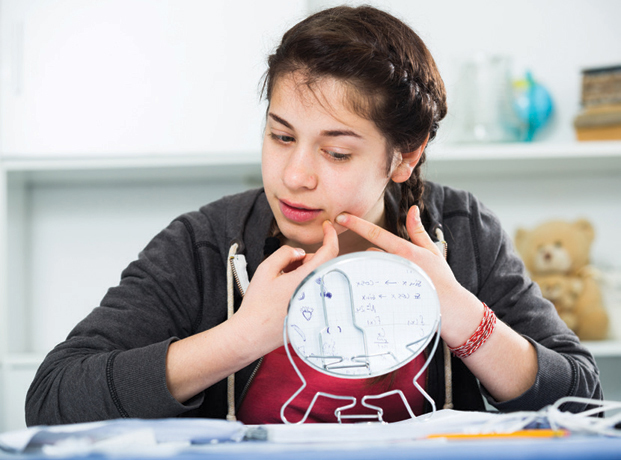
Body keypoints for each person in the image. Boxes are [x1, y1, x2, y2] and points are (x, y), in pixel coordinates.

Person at [26, 5, 602, 426]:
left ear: (405, 156)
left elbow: (583, 397)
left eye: (337, 152)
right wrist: (238, 339)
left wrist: (467, 323)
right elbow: (51, 398)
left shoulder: (462, 232)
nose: (294, 175)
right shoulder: (206, 244)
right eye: (280, 136)